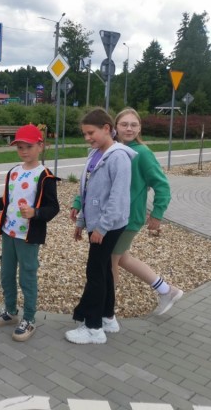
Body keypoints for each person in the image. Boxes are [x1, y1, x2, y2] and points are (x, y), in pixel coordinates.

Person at [72, 108, 183, 317]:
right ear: (114, 127)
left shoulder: (141, 153)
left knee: (109, 263)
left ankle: (105, 312)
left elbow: (162, 185)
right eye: (124, 124)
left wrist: (157, 213)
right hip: (110, 217)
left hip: (126, 218)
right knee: (122, 258)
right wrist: (79, 202)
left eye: (134, 125)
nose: (129, 129)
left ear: (140, 128)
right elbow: (92, 181)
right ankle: (167, 290)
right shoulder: (107, 150)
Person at [0, 124, 59, 342]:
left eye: (29, 146)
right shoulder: (14, 172)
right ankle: (11, 312)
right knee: (6, 274)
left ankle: (29, 318)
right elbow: (8, 202)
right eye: (20, 147)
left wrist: (36, 213)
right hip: (9, 233)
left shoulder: (45, 176)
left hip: (28, 237)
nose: (24, 151)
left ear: (41, 146)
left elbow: (53, 208)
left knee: (27, 276)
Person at [65, 108, 136, 345]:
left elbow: (118, 198)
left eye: (91, 133)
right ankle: (107, 318)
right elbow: (87, 190)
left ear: (107, 128)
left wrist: (102, 228)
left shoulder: (118, 157)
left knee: (95, 273)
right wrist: (81, 221)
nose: (87, 138)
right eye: (84, 134)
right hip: (96, 223)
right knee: (104, 269)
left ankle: (93, 328)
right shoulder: (96, 153)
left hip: (108, 226)